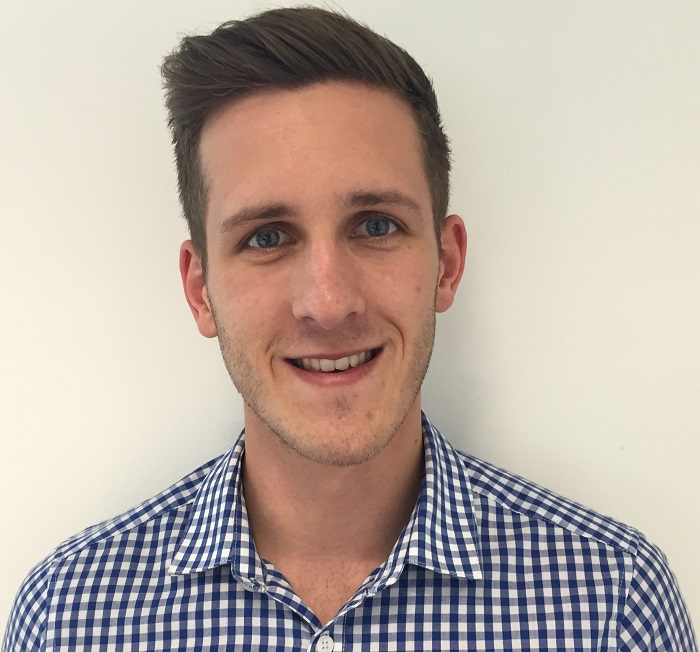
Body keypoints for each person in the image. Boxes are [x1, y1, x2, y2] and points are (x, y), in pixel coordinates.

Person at [3, 6, 696, 651]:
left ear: (447, 263)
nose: (329, 303)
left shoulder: (612, 604)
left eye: (376, 226)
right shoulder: (67, 618)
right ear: (200, 290)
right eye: (267, 236)